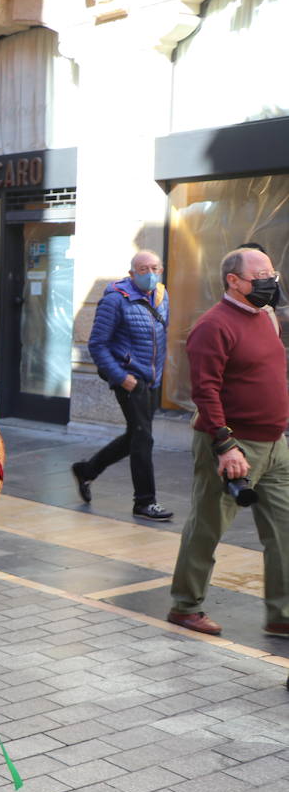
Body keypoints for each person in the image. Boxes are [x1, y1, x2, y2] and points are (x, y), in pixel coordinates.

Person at [168, 247, 289, 637]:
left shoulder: (267, 318)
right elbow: (205, 390)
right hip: (232, 446)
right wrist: (225, 444)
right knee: (207, 527)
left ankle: (281, 615)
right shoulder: (213, 325)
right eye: (262, 277)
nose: (270, 283)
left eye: (274, 275)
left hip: (275, 445)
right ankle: (186, 607)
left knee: (285, 531)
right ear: (233, 281)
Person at [72, 251, 172, 520]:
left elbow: (160, 338)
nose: (149, 274)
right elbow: (97, 344)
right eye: (142, 269)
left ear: (161, 270)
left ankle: (87, 470)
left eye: (154, 268)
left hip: (152, 380)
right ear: (131, 273)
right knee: (143, 438)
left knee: (135, 436)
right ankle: (144, 501)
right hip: (129, 380)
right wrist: (121, 377)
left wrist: (159, 374)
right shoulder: (115, 299)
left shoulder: (162, 296)